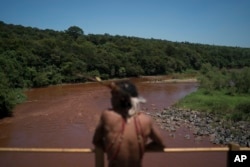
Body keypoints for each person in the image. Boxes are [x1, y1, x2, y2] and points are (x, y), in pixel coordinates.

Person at [93, 80, 165, 167]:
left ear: (121, 99)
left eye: (113, 96)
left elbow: (96, 141)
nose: (111, 99)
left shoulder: (107, 115)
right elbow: (160, 145)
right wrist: (141, 149)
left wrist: (110, 149)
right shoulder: (146, 120)